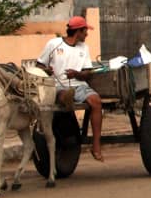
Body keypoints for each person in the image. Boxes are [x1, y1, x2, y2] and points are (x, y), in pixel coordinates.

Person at [37, 16, 104, 162]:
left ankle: (96, 145)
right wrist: (46, 70)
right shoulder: (53, 44)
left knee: (96, 101)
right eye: (85, 30)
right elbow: (39, 65)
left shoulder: (84, 48)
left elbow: (87, 73)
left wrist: (77, 74)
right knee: (61, 93)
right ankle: (66, 99)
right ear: (78, 31)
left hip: (79, 85)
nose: (87, 34)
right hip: (57, 85)